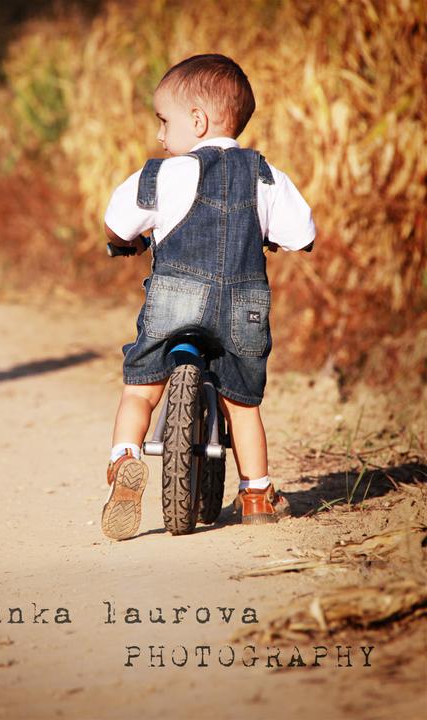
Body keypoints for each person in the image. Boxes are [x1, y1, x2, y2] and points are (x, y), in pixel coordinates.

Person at [101, 54, 315, 540]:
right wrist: (274, 238)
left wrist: (123, 241)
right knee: (242, 402)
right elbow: (302, 233)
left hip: (176, 297)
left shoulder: (164, 174)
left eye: (164, 121)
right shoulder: (263, 174)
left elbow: (117, 220)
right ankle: (257, 493)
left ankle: (125, 459)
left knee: (140, 390)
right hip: (242, 306)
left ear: (196, 121)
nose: (159, 135)